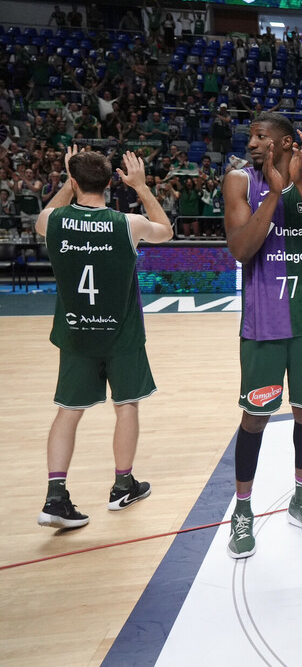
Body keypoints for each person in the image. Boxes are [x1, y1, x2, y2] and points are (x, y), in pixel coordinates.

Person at [222, 114, 302, 559]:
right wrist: (276, 193)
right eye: (251, 136)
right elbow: (241, 249)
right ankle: (242, 510)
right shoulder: (239, 182)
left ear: (288, 143)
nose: (252, 143)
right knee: (255, 418)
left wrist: (300, 185)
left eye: (261, 137)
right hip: (264, 322)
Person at [35, 147, 173, 529]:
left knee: (67, 412)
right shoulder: (129, 223)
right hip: (121, 335)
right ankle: (122, 485)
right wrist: (142, 188)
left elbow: (43, 217)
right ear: (112, 183)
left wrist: (68, 179)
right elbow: (166, 231)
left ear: (75, 181)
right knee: (126, 406)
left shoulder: (53, 220)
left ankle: (55, 498)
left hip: (77, 334)